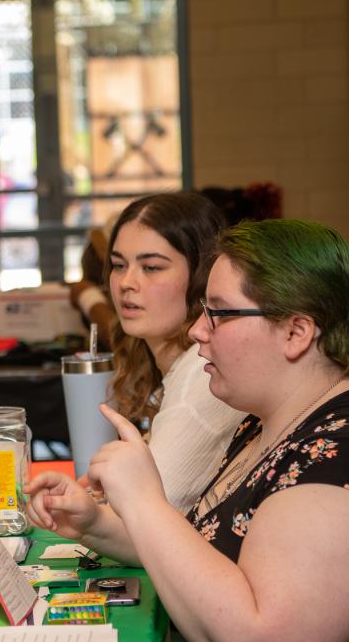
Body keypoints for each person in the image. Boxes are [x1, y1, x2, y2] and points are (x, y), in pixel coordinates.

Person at [26, 219, 349, 641]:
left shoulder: (330, 459)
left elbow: (263, 633)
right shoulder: (264, 423)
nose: (197, 330)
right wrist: (94, 525)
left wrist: (143, 500)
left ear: (295, 332)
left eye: (219, 314)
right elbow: (201, 554)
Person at [101, 192, 245, 512]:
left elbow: (148, 512)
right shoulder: (169, 362)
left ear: (201, 278)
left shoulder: (204, 368)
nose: (127, 282)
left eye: (151, 267)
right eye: (118, 265)